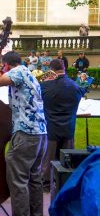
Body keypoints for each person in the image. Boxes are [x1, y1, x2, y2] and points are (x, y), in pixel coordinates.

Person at [0, 50, 47, 216]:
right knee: (34, 179)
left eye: (3, 67)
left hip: (26, 135)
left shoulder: (18, 71)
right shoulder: (30, 73)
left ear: (7, 65)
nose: (2, 70)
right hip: (40, 134)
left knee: (18, 180)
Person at [41, 59, 83, 187]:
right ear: (64, 68)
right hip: (69, 126)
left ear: (51, 71)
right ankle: (66, 183)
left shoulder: (45, 86)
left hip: (51, 127)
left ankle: (47, 182)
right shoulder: (75, 86)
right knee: (68, 159)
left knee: (48, 159)